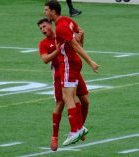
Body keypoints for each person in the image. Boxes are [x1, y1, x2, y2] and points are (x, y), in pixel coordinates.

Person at [44, 0, 99, 146]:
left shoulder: (61, 27)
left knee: (67, 97)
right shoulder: (67, 20)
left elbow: (75, 45)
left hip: (68, 64)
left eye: (46, 10)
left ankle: (76, 130)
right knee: (77, 98)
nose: (45, 13)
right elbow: (81, 32)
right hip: (74, 63)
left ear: (53, 11)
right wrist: (80, 43)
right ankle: (79, 128)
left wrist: (90, 61)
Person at [37, 18, 90, 151]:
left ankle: (79, 128)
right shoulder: (43, 43)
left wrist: (81, 37)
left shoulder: (63, 33)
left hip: (73, 69)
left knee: (85, 101)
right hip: (59, 74)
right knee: (61, 103)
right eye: (40, 29)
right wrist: (58, 50)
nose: (43, 30)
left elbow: (78, 47)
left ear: (51, 25)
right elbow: (44, 59)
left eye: (44, 26)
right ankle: (55, 136)